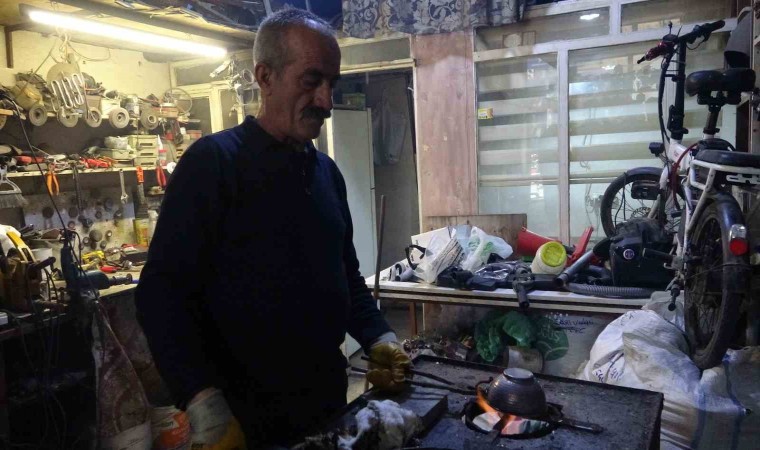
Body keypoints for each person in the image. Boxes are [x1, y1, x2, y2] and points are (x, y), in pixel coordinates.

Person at [135, 8, 412, 449]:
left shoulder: (327, 173)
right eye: (311, 80)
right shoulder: (213, 164)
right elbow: (161, 296)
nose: (326, 101)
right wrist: (203, 402)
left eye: (332, 83)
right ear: (265, 77)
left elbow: (345, 278)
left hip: (326, 402)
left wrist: (380, 337)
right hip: (241, 420)